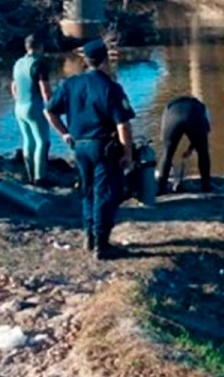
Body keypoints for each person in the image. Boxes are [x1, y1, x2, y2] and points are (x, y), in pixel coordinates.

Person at [44, 39, 135, 260]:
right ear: (105, 59)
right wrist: (127, 153)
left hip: (79, 146)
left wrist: (65, 133)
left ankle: (89, 237)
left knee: (87, 190)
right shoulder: (111, 88)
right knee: (105, 193)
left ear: (85, 60)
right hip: (103, 147)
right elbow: (123, 124)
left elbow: (50, 111)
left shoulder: (70, 84)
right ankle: (102, 244)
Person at [10, 34, 52, 186]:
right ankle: (40, 177)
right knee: (42, 141)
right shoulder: (39, 64)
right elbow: (45, 91)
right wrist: (52, 107)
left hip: (19, 106)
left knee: (28, 140)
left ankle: (29, 174)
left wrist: (18, 101)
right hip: (35, 107)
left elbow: (13, 86)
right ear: (40, 47)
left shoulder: (18, 63)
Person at [157, 95, 212, 195]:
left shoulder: (169, 106)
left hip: (172, 117)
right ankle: (206, 186)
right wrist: (192, 148)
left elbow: (163, 133)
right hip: (193, 116)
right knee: (203, 152)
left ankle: (161, 189)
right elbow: (205, 131)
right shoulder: (201, 107)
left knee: (167, 154)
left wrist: (168, 146)